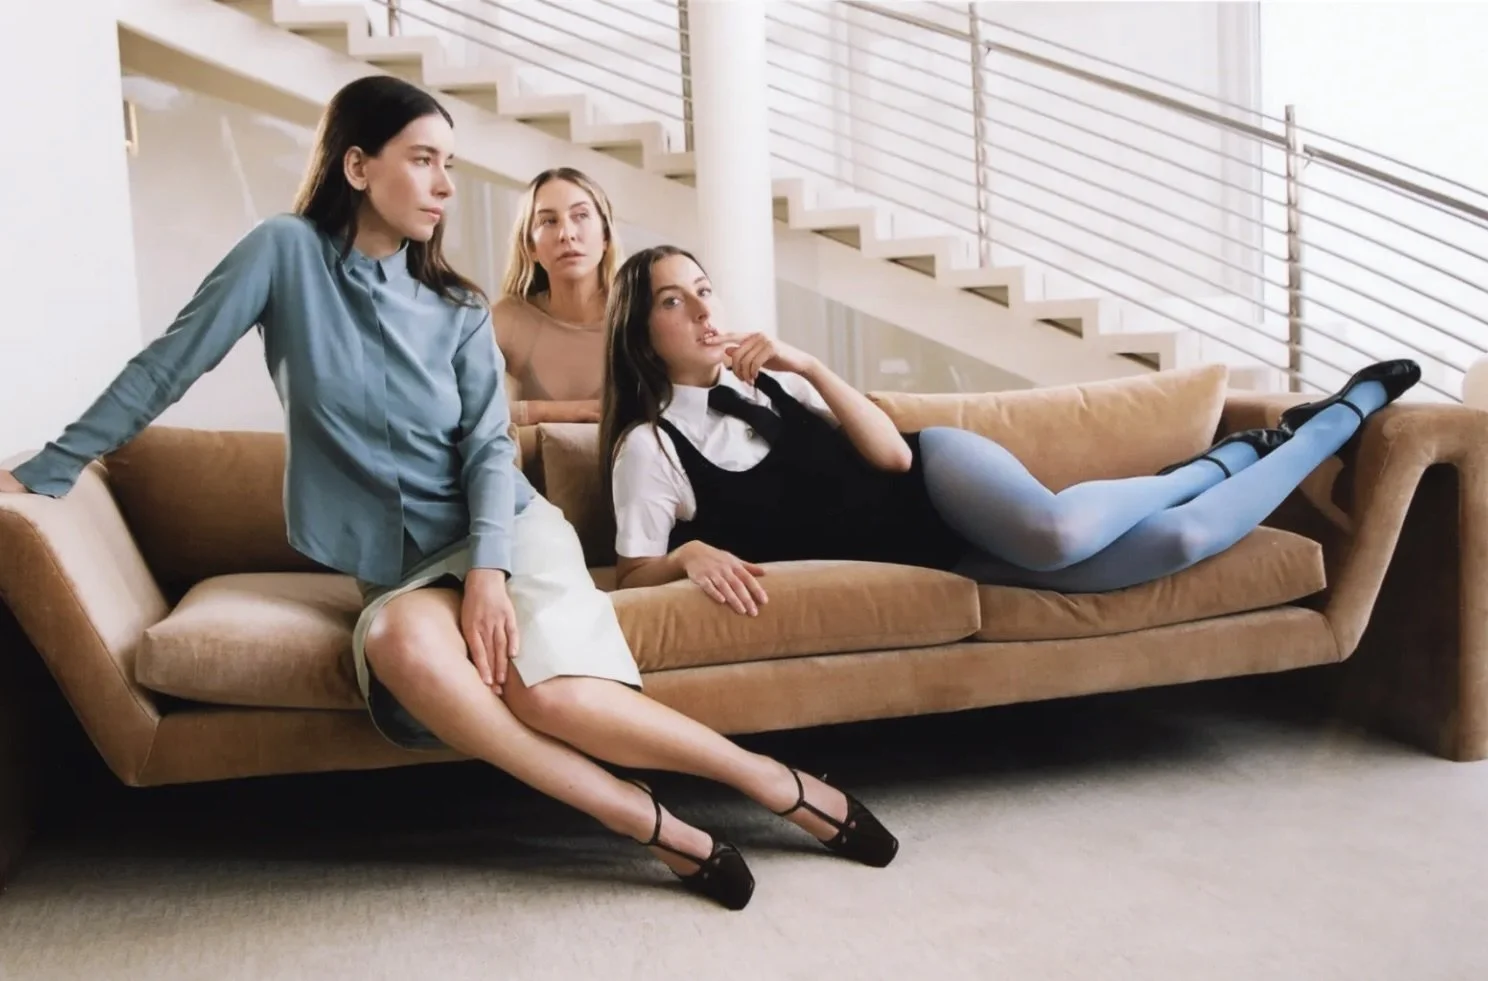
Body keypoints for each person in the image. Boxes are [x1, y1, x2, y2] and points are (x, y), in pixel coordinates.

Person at [0, 79, 898, 912]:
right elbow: (168, 364)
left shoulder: (462, 305)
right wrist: (48, 467)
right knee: (396, 640)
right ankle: (643, 818)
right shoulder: (282, 254)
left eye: (450, 166)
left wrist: (491, 572)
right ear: (358, 166)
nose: (442, 185)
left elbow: (487, 448)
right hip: (394, 567)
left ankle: (777, 784)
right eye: (423, 160)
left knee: (545, 694)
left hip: (504, 530)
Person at [599, 245, 1421, 607]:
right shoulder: (649, 447)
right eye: (676, 299)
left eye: (707, 287)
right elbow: (632, 568)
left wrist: (807, 366)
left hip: (939, 474)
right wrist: (687, 552)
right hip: (939, 553)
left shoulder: (775, 386)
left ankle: (1331, 419)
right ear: (641, 330)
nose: (706, 306)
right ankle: (1270, 443)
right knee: (1174, 544)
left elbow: (889, 455)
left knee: (1058, 529)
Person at [492, 167, 618, 427]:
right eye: (549, 221)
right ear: (530, 247)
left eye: (581, 215)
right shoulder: (508, 319)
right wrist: (565, 412)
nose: (567, 234)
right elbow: (462, 416)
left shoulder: (638, 316)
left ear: (605, 236)